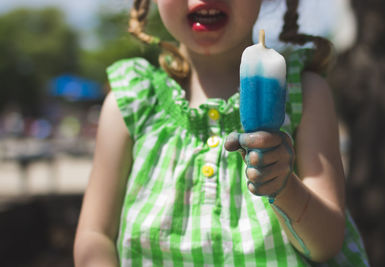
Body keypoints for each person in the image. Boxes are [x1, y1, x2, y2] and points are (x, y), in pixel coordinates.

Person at [74, 0, 369, 266]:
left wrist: (284, 187)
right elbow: (94, 234)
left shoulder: (304, 93)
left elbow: (327, 243)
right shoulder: (131, 103)